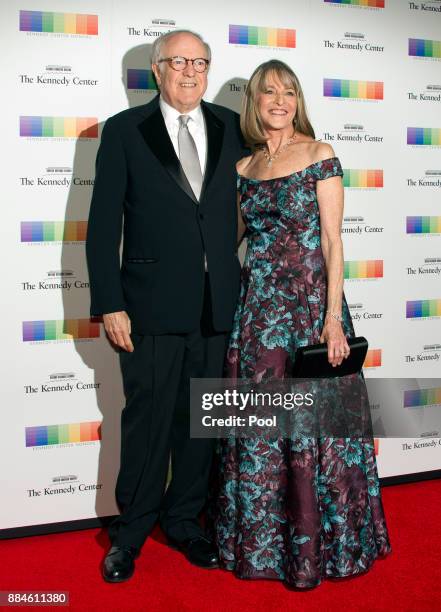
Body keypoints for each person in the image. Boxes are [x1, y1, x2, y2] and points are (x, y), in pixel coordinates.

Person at [212, 60, 391, 589]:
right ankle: (265, 547)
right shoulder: (242, 169)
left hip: (312, 307)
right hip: (258, 314)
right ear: (255, 102)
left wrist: (332, 320)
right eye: (269, 92)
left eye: (289, 92)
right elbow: (230, 242)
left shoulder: (321, 155)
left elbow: (334, 242)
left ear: (298, 101)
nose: (280, 101)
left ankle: (326, 547)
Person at [86, 30, 246, 582]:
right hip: (148, 305)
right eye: (178, 61)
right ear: (156, 69)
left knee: (206, 422)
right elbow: (104, 225)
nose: (190, 71)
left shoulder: (232, 125)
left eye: (200, 62)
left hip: (220, 305)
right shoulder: (125, 131)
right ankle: (130, 533)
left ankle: (185, 521)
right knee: (148, 422)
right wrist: (109, 302)